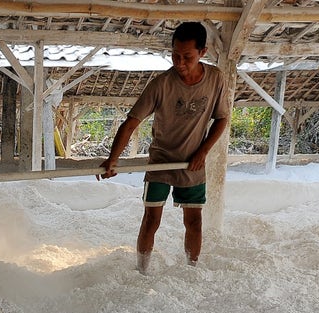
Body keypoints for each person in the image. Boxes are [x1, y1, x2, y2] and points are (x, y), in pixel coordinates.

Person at [98, 21, 230, 272]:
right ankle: (142, 269)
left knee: (194, 221)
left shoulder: (216, 79)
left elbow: (222, 118)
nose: (179, 63)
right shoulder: (161, 84)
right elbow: (131, 123)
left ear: (203, 52)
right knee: (151, 219)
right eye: (175, 55)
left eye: (187, 57)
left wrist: (203, 152)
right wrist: (112, 159)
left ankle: (191, 267)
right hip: (161, 161)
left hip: (193, 163)